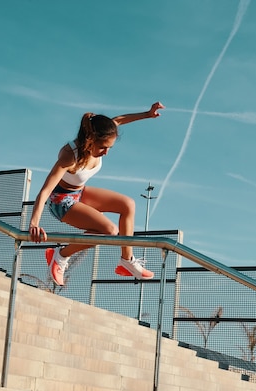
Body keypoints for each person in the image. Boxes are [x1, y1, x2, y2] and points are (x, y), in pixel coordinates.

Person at [28, 101, 165, 286]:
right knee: (109, 231)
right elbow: (45, 190)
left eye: (110, 147)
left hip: (79, 192)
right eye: (103, 147)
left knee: (128, 204)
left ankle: (127, 261)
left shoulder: (103, 131)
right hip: (61, 202)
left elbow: (119, 120)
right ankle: (60, 255)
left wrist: (147, 114)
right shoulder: (70, 156)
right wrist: (34, 223)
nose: (106, 152)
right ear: (90, 139)